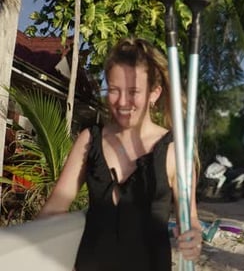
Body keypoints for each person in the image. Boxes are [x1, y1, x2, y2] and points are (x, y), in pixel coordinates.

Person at [37, 37, 202, 270]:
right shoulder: (89, 139)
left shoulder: (176, 150)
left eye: (133, 91)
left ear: (154, 93)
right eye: (114, 90)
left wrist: (193, 235)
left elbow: (190, 219)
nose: (123, 102)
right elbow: (54, 209)